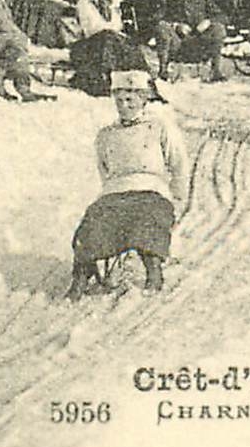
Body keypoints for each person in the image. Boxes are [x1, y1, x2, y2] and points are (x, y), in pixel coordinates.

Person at [64, 69, 189, 298]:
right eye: (119, 100)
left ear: (143, 99)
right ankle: (81, 276)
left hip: (151, 189)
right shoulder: (106, 135)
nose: (124, 105)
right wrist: (109, 193)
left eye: (130, 99)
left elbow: (178, 163)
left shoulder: (159, 127)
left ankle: (153, 271)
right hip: (116, 191)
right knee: (93, 221)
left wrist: (177, 198)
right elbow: (105, 170)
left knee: (145, 220)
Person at [66, 0, 144, 95]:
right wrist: (112, 32)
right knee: (107, 38)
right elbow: (91, 29)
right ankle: (104, 80)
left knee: (129, 45)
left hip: (109, 42)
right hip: (88, 46)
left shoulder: (111, 2)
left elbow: (117, 26)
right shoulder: (83, 4)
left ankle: (144, 83)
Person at [153, 0, 227, 83]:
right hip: (177, 44)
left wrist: (208, 22)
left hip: (200, 43)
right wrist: (175, 26)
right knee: (161, 27)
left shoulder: (203, 0)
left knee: (219, 28)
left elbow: (223, 16)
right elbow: (156, 20)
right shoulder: (168, 1)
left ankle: (216, 71)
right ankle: (163, 71)